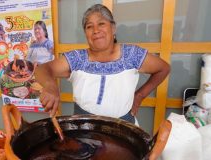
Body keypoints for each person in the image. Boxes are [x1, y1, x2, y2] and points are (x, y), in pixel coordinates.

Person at [35, 4, 170, 124]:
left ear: (113, 28)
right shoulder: (77, 58)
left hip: (122, 130)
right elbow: (43, 69)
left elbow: (163, 68)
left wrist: (140, 96)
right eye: (89, 26)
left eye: (101, 24)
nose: (96, 30)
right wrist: (50, 85)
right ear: (85, 33)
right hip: (84, 130)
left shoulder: (132, 54)